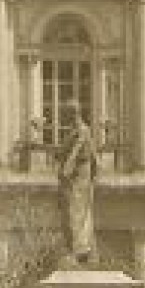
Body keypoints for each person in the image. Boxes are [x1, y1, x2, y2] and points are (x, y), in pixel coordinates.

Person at [56, 103, 101, 265]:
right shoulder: (73, 131)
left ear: (73, 114)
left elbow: (76, 150)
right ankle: (77, 250)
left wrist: (68, 166)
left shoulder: (82, 129)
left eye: (65, 114)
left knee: (76, 212)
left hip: (79, 176)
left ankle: (79, 251)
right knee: (71, 213)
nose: (63, 117)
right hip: (74, 178)